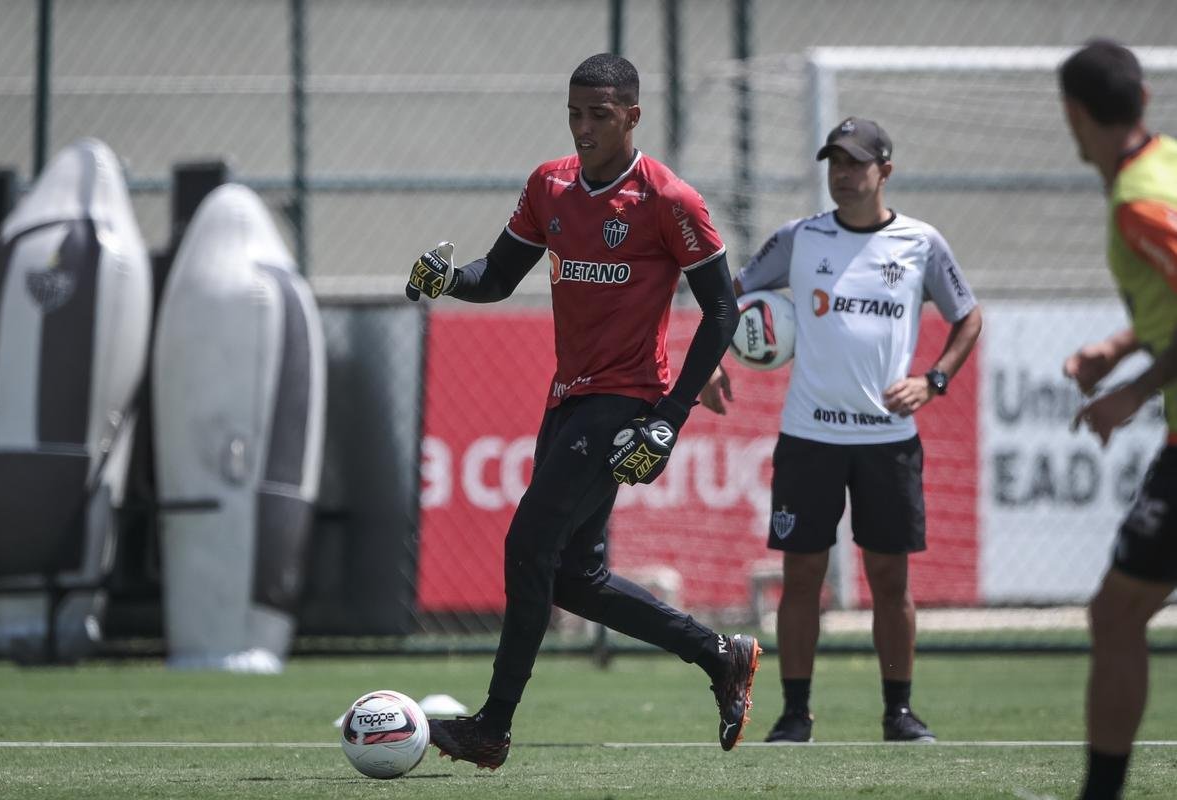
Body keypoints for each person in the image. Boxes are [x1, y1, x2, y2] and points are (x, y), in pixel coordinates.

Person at [405, 53, 760, 769]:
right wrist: (448, 279)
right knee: (574, 578)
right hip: (567, 398)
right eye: (574, 113)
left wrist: (668, 418)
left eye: (600, 114)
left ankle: (492, 727)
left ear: (633, 116)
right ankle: (719, 654)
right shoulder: (550, 185)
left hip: (624, 402)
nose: (584, 127)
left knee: (527, 546)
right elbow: (497, 276)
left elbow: (722, 311)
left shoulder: (669, 199)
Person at [700, 117, 982, 743]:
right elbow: (727, 295)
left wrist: (933, 381)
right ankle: (794, 714)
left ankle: (899, 712)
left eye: (856, 163)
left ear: (886, 171)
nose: (844, 174)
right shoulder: (798, 239)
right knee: (802, 577)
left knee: (890, 580)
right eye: (835, 163)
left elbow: (967, 317)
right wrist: (711, 362)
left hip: (887, 442)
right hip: (810, 440)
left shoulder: (921, 243)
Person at [1059, 39, 1177, 800]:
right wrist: (1121, 345)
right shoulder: (1167, 165)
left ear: (1074, 115)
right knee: (1118, 610)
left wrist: (1133, 391)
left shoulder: (1138, 199)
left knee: (1116, 612)